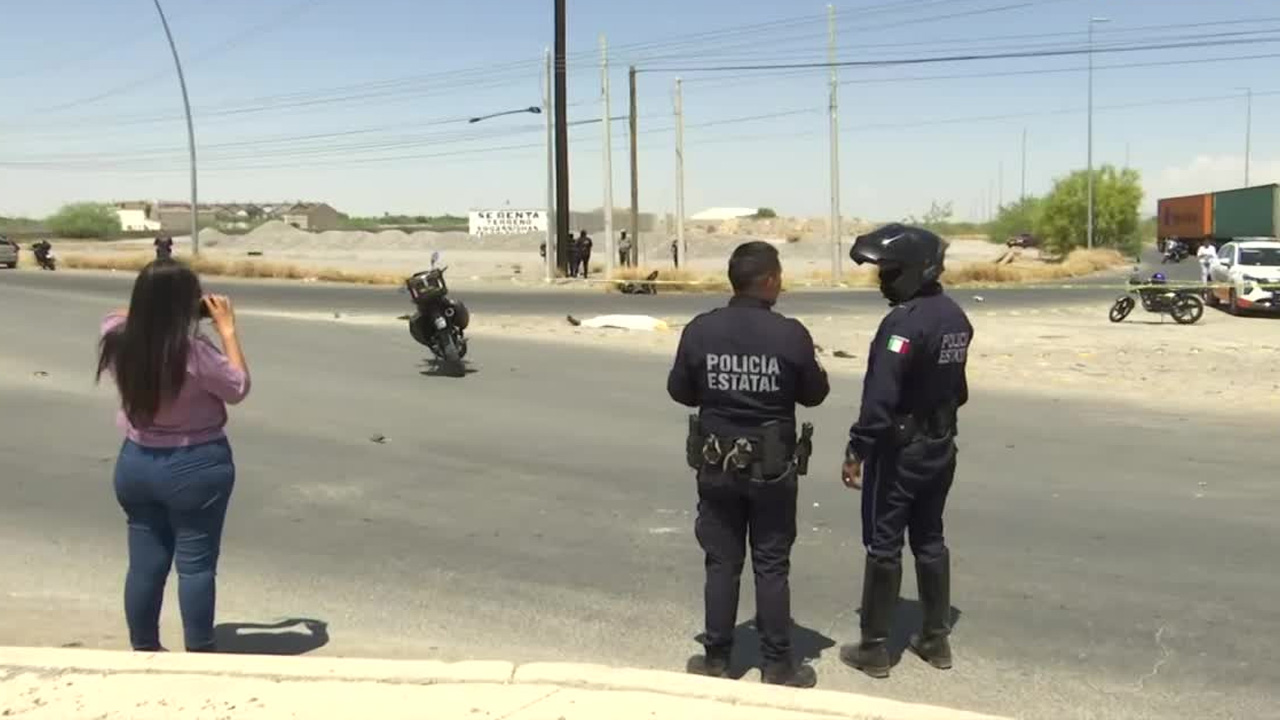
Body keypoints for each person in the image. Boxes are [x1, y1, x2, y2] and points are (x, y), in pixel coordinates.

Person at [667, 241, 830, 688]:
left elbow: (680, 390)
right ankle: (777, 665)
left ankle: (717, 658)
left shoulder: (700, 331)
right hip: (772, 470)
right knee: (771, 563)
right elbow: (814, 393)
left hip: (718, 467)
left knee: (721, 561)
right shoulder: (790, 334)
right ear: (771, 280)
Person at [838, 223, 973, 680]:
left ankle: (875, 647)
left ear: (919, 270)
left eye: (891, 272)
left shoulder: (902, 324)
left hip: (902, 451)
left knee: (884, 543)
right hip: (941, 445)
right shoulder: (956, 317)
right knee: (930, 538)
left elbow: (879, 399)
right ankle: (935, 639)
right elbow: (960, 390)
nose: (883, 281)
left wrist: (858, 448)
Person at [95, 259, 251, 653]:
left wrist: (156, 311)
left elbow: (117, 314)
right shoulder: (193, 351)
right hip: (195, 464)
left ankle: (144, 649)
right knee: (196, 566)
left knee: (145, 565)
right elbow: (237, 387)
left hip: (136, 462)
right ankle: (199, 651)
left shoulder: (115, 336)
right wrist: (228, 331)